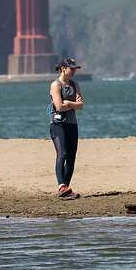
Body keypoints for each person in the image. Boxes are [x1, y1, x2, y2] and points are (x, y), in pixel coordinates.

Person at [49, 56, 84, 199]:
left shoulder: (75, 85)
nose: (74, 71)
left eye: (75, 68)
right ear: (63, 69)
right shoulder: (56, 85)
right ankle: (61, 186)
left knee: (71, 157)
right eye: (72, 68)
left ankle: (66, 188)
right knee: (62, 154)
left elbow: (81, 105)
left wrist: (68, 103)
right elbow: (58, 106)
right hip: (58, 125)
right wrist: (72, 104)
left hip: (72, 124)